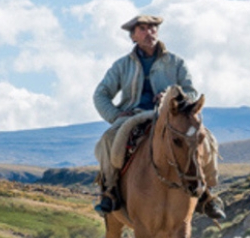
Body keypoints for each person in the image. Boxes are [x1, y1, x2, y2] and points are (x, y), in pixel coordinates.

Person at [92, 14, 225, 220]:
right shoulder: (122, 65)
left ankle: (207, 193)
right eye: (143, 29)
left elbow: (191, 92)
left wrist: (174, 94)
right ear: (133, 36)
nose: (149, 33)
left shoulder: (175, 62)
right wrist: (115, 115)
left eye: (153, 28)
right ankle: (110, 190)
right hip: (134, 115)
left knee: (206, 138)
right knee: (109, 140)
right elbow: (101, 94)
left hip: (171, 116)